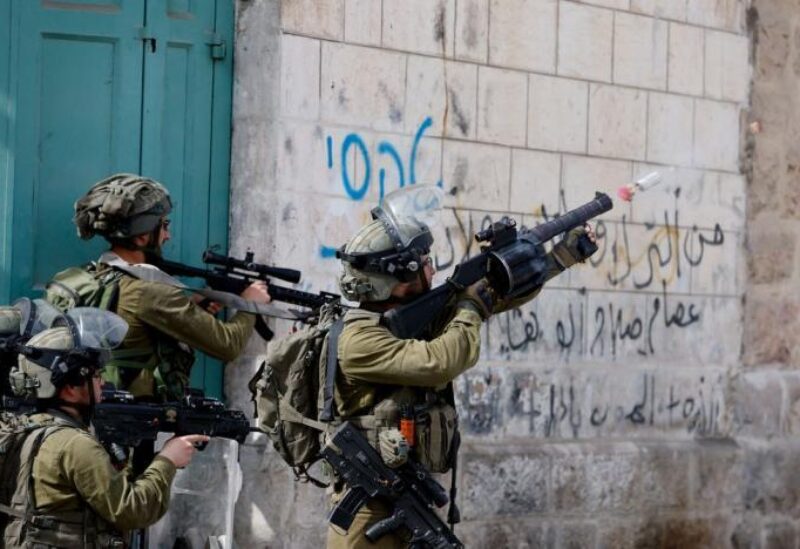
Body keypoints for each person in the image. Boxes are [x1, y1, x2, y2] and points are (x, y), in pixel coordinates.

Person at [327, 187, 597, 548]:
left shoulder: (408, 316)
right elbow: (441, 361)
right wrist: (469, 309)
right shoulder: (357, 340)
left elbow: (495, 295)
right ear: (397, 277)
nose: (432, 266)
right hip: (368, 510)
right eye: (423, 261)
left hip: (406, 491)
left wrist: (562, 255)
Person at [46, 173, 271, 402]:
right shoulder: (149, 292)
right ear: (143, 237)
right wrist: (249, 303)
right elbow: (227, 345)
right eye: (164, 225)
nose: (168, 235)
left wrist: (191, 309)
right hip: (133, 418)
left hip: (83, 407)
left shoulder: (84, 278)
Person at [1, 307, 208, 548]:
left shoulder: (24, 429)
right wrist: (167, 460)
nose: (103, 382)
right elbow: (131, 510)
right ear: (70, 387)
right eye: (96, 375)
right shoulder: (75, 445)